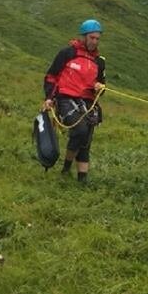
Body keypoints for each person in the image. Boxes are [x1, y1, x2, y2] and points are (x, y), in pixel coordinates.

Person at [41, 19, 106, 183]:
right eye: (92, 38)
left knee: (86, 139)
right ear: (83, 36)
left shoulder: (99, 61)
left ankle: (81, 180)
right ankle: (66, 167)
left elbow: (102, 85)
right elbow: (51, 76)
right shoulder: (67, 53)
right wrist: (49, 98)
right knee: (80, 130)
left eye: (97, 38)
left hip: (88, 102)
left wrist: (100, 87)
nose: (94, 41)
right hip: (66, 98)